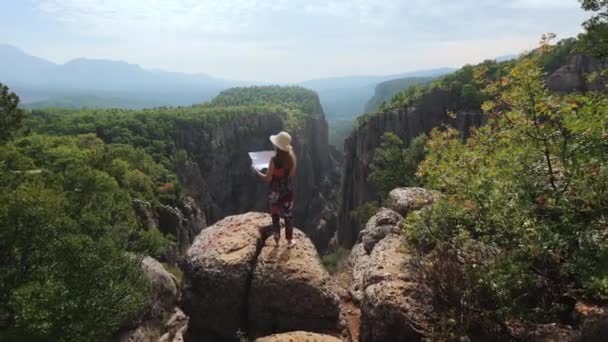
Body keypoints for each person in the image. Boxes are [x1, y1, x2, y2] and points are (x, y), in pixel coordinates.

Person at [255, 131, 297, 248]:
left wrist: (257, 172)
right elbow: (292, 173)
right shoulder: (292, 158)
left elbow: (267, 178)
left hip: (275, 192)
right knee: (288, 215)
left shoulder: (274, 160)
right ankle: (289, 241)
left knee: (275, 215)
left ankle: (277, 239)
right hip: (288, 191)